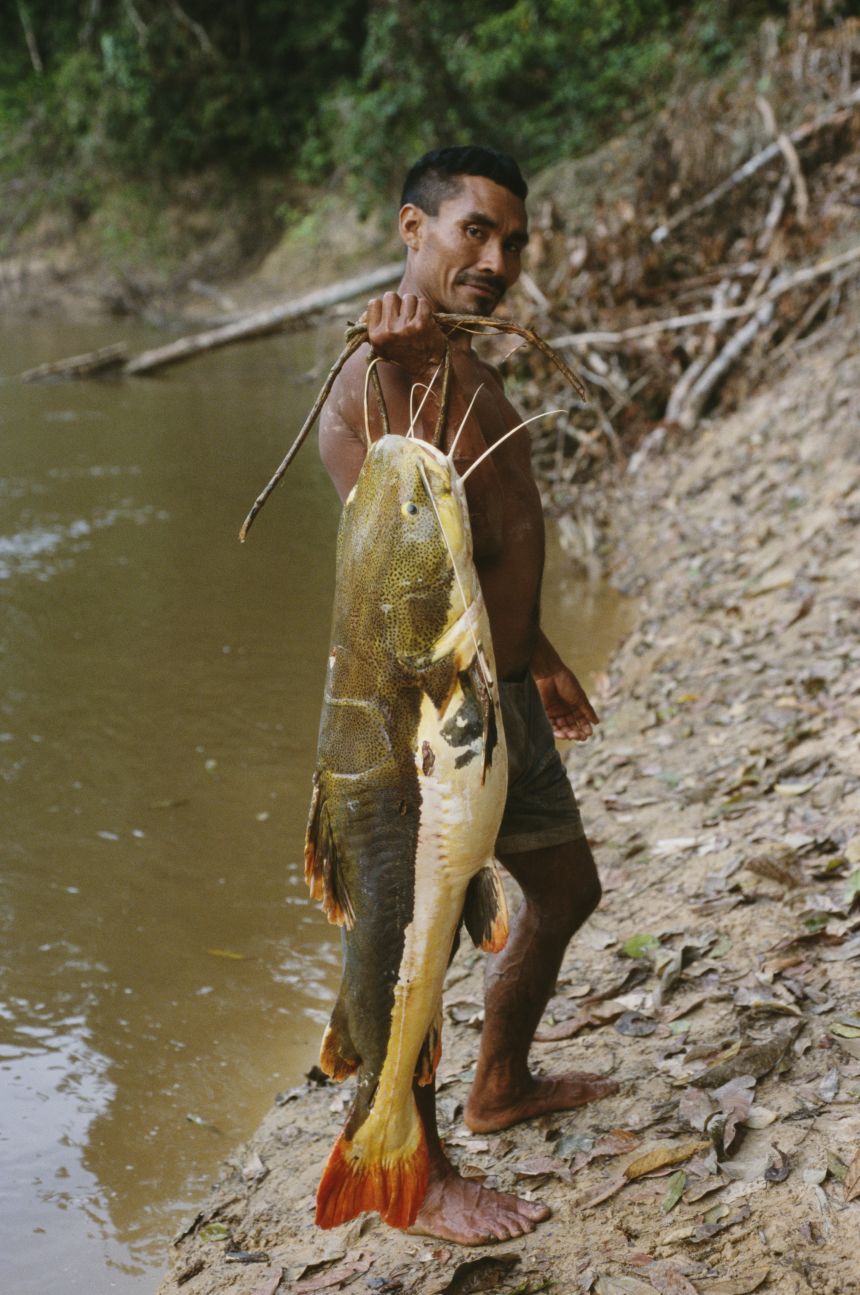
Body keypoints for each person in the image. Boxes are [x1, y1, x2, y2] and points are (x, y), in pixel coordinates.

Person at [318, 145, 618, 1246]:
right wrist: (398, 369)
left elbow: (493, 535)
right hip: (424, 716)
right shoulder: (376, 371)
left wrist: (538, 648)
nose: (495, 259)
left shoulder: (467, 359)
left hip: (504, 690)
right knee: (407, 945)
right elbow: (406, 546)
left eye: (511, 241)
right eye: (471, 232)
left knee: (568, 886)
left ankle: (498, 1080)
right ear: (413, 230)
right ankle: (407, 1162)